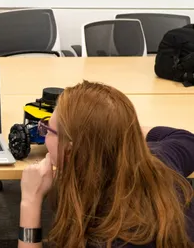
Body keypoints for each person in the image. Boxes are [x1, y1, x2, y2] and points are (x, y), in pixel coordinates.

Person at [19, 81, 194, 248]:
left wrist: (30, 202)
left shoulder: (110, 236)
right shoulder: (162, 160)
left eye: (48, 129)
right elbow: (186, 139)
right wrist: (116, 130)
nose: (43, 134)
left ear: (71, 148)